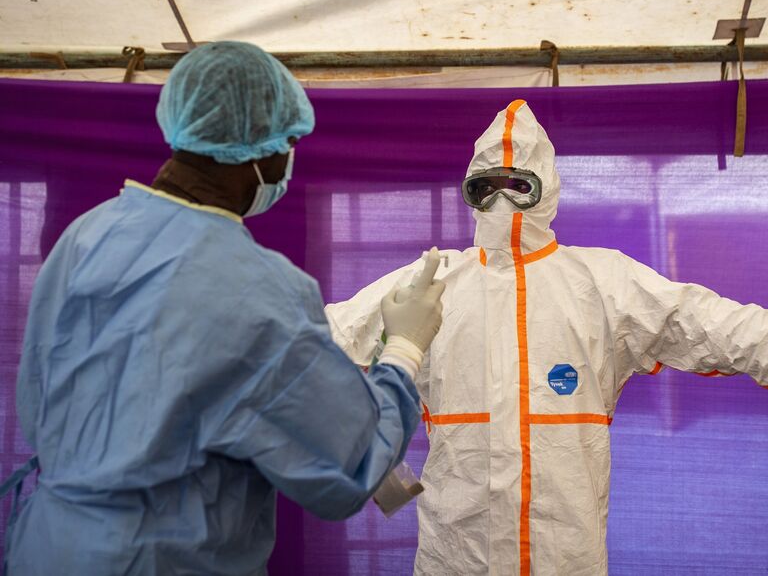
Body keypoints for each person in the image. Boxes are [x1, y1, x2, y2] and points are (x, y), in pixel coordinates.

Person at [325, 99, 768, 576]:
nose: (501, 199)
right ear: (468, 191)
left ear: (545, 189)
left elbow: (740, 333)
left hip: (567, 561)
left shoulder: (603, 287)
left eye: (516, 183)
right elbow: (306, 349)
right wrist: (374, 461)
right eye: (485, 185)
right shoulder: (430, 284)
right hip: (454, 559)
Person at [8, 41, 445, 575]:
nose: (289, 157)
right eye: (288, 141)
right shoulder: (260, 290)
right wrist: (403, 348)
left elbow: (40, 394)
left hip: (47, 546)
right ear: (259, 150)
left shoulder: (87, 236)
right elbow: (349, 467)